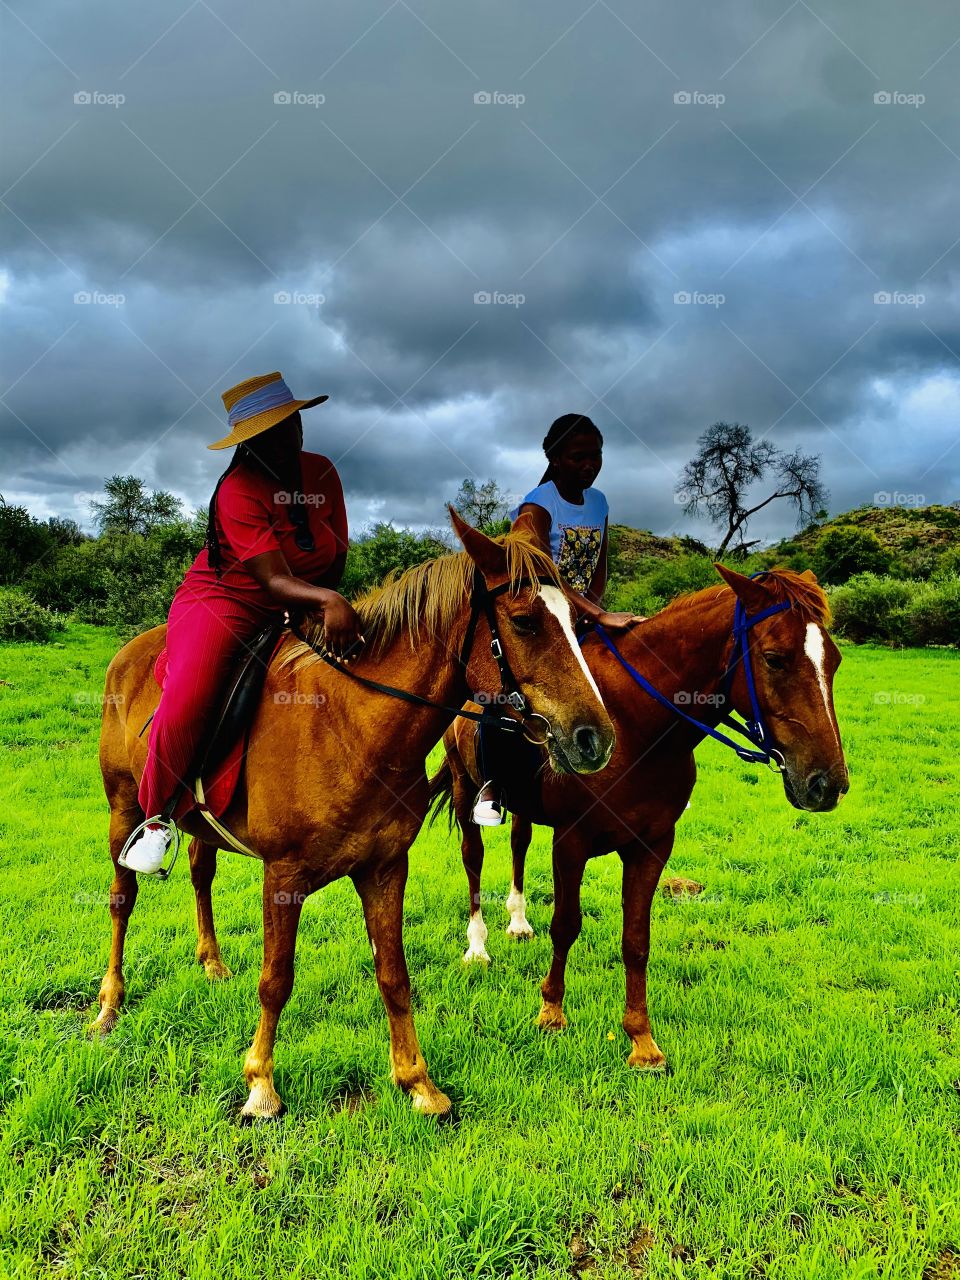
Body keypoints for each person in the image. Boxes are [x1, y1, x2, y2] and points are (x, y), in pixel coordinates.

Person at [124, 371, 364, 874]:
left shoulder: (321, 471)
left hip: (302, 599)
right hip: (226, 600)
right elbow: (272, 580)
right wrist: (324, 599)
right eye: (269, 433)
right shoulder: (237, 490)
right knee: (191, 693)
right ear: (249, 442)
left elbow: (336, 549)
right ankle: (155, 817)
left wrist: (323, 603)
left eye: (290, 424)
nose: (285, 438)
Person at [471, 413, 645, 825]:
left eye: (595, 456)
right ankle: (492, 784)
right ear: (555, 456)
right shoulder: (537, 505)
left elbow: (599, 565)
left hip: (583, 615)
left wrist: (595, 612)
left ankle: (640, 778)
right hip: (545, 615)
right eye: (577, 457)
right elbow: (538, 575)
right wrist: (590, 614)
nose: (589, 465)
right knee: (501, 693)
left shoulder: (599, 502)